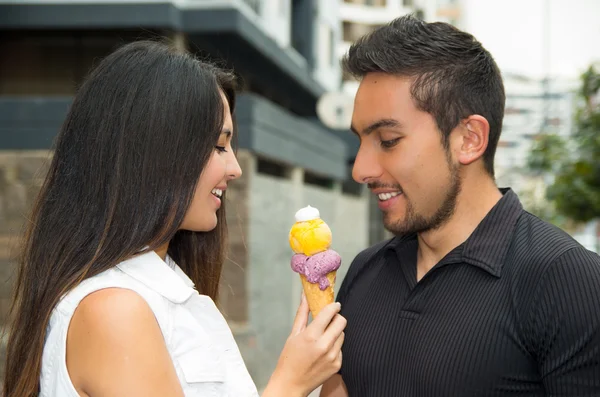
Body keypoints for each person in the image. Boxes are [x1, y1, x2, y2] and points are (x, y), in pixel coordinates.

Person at [3, 40, 346, 397]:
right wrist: (290, 384)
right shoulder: (114, 310)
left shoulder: (163, 287)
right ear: (154, 153)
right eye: (218, 146)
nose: (235, 168)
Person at [320, 15, 600, 397]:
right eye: (360, 142)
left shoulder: (567, 280)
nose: (360, 169)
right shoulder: (366, 269)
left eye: (387, 140)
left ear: (469, 139)